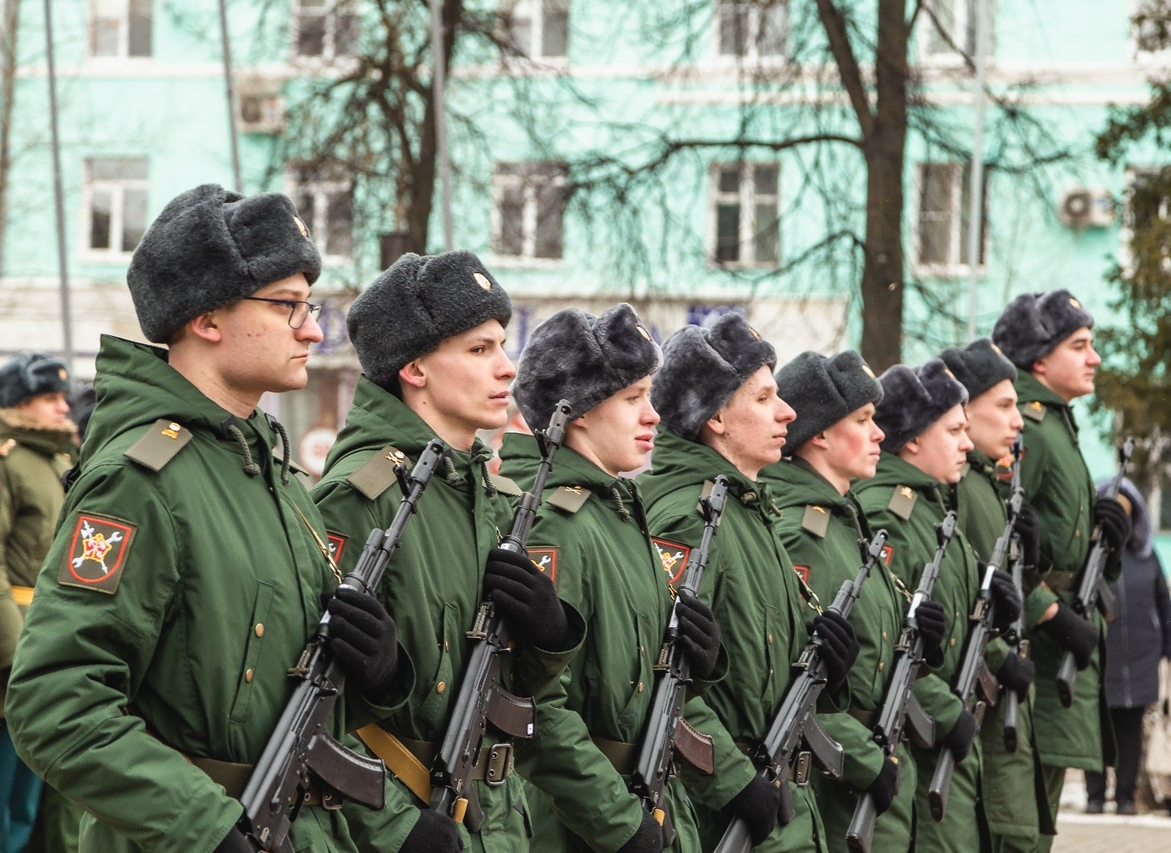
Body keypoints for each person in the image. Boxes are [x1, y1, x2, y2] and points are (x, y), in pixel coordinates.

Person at [4, 185, 420, 853]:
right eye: (287, 305)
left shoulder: (270, 474)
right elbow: (56, 705)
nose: (312, 328)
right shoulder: (139, 480)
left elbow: (275, 703)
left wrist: (377, 674)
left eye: (308, 306)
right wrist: (206, 827)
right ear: (206, 318)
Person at [312, 251, 584, 853]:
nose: (507, 370)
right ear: (416, 368)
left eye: (502, 347)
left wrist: (549, 635)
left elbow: (509, 687)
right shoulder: (362, 497)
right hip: (412, 820)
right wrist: (397, 831)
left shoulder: (487, 494)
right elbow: (312, 703)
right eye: (479, 350)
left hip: (498, 820)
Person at [502, 304, 725, 853]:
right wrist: (621, 825)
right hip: (586, 827)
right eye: (632, 399)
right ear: (577, 411)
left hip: (645, 799)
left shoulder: (620, 512)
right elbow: (535, 705)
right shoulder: (557, 523)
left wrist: (698, 662)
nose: (652, 416)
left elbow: (631, 680)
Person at [637, 313, 858, 852]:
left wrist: (828, 658)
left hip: (777, 797)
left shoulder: (743, 510)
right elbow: (662, 681)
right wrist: (734, 784)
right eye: (763, 399)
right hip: (731, 812)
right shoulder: (692, 518)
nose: (787, 413)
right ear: (716, 417)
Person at [760, 350, 946, 853]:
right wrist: (866, 759)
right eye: (863, 421)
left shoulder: (844, 523)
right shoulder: (803, 532)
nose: (879, 434)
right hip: (838, 779)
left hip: (869, 760)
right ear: (819, 433)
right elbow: (796, 682)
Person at [855, 358, 1022, 853]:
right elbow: (885, 645)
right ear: (913, 439)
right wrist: (947, 713)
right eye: (954, 431)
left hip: (943, 735)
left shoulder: (931, 510)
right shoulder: (892, 514)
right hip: (920, 742)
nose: (967, 445)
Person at [991, 290, 1131, 849]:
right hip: (1036, 649)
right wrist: (1048, 611)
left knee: (1037, 820)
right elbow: (993, 545)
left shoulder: (1055, 426)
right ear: (1039, 360)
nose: (1094, 358)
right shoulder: (1028, 430)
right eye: (1080, 346)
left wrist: (1109, 547)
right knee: (1021, 827)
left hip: (1058, 648)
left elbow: (1059, 547)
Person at [940, 340, 1051, 852]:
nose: (1018, 420)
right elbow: (956, 598)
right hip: (976, 692)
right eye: (1003, 406)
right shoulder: (957, 487)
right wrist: (1002, 657)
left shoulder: (986, 482)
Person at [0, 354, 74, 853]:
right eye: (50, 398)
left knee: (30, 804)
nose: (64, 408)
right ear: (20, 405)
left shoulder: (57, 461)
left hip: (46, 639)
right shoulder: (1, 460)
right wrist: (15, 659)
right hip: (10, 651)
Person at [1083, 477, 1171, 815]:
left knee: (1130, 735)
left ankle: (1125, 796)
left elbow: (1164, 603)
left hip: (1140, 658)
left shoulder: (1146, 555)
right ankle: (1095, 795)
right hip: (1098, 657)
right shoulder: (1089, 553)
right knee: (1094, 730)